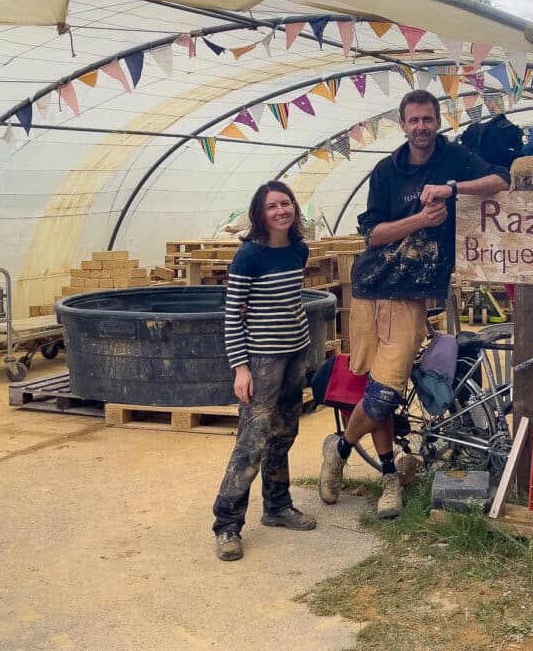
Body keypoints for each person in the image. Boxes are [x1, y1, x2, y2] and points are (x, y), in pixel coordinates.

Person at [318, 89, 511, 517]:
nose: (421, 127)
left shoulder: (453, 158)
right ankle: (388, 477)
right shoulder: (387, 171)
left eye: (427, 119)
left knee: (383, 391)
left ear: (437, 121)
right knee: (380, 391)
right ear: (402, 125)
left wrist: (452, 188)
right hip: (373, 288)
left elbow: (502, 179)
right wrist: (420, 221)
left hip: (413, 297)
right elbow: (372, 235)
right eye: (413, 121)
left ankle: (341, 448)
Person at [212, 181, 317, 561]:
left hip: (295, 353)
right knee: (251, 441)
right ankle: (227, 525)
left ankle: (277, 506)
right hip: (262, 359)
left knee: (285, 432)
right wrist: (241, 368)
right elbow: (232, 314)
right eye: (272, 206)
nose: (280, 211)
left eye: (285, 204)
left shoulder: (299, 250)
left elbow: (292, 301)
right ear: (261, 213)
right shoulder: (248, 256)